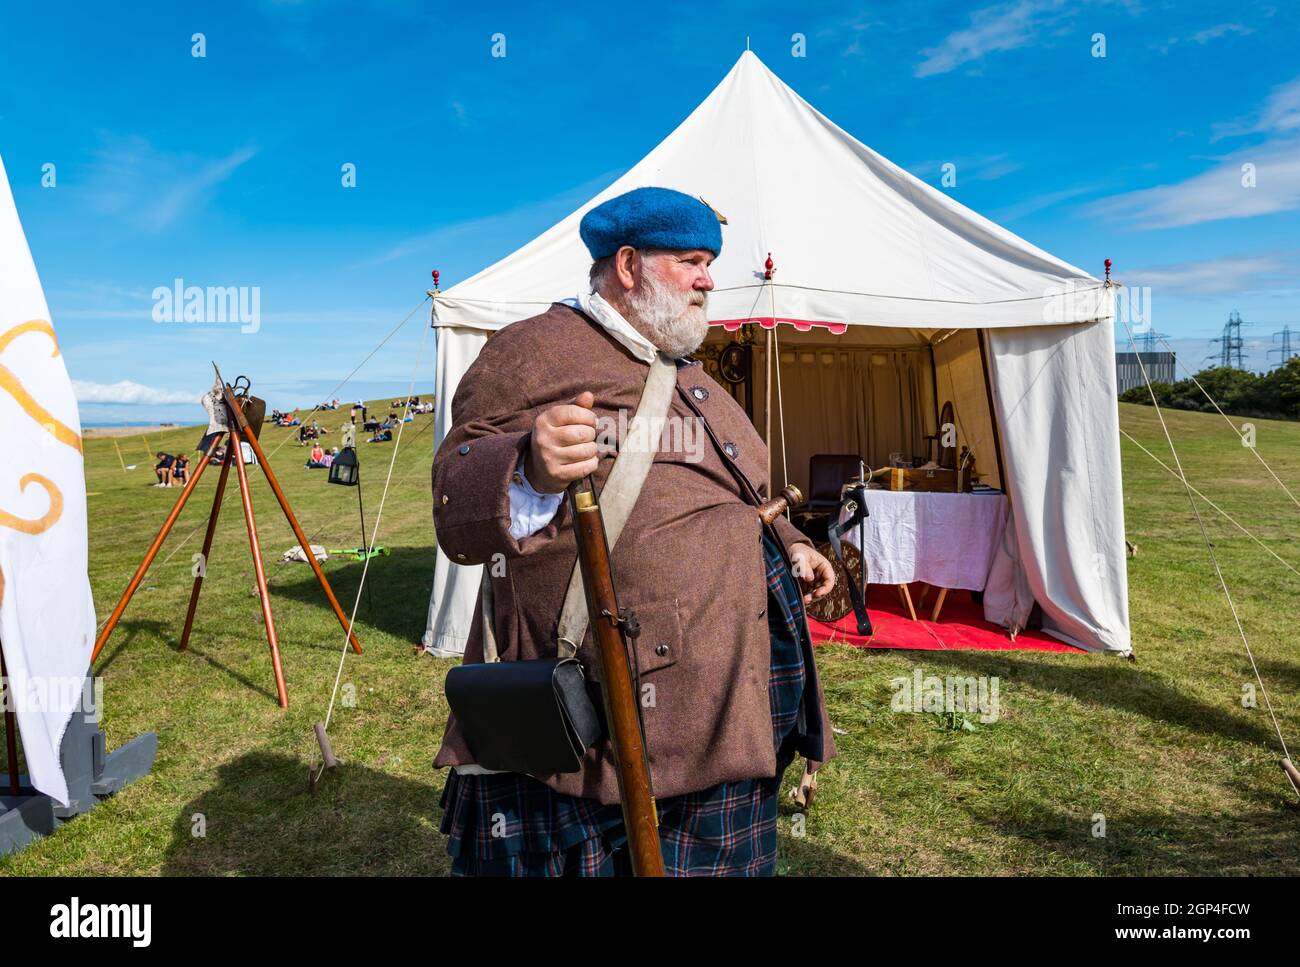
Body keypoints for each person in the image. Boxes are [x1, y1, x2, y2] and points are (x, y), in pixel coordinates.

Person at [432, 187, 837, 877]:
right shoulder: (533, 351)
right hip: (614, 724)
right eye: (691, 261)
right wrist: (528, 461)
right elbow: (453, 499)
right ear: (627, 265)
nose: (709, 278)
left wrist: (792, 541)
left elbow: (748, 494)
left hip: (730, 709)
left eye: (709, 261)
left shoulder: (692, 373)